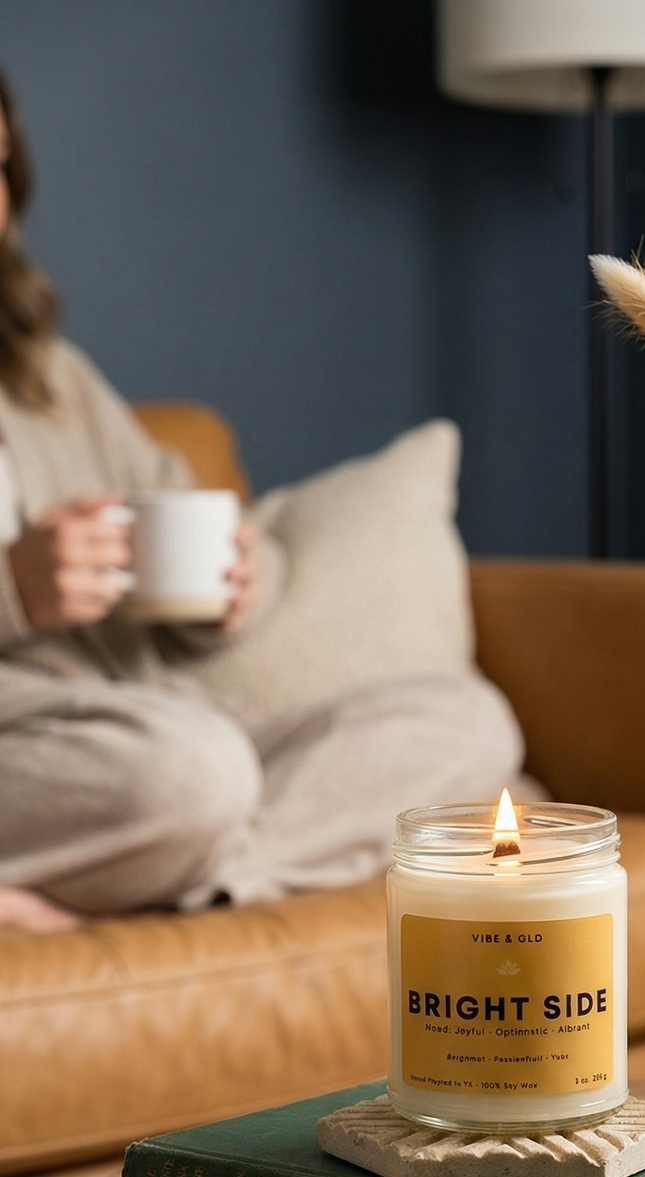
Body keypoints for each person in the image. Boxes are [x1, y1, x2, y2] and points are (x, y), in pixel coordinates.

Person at [0, 73, 523, 932]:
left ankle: (174, 890)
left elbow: (175, 515)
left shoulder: (45, 374)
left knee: (468, 724)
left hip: (145, 732)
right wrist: (15, 586)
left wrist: (228, 581)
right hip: (89, 759)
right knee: (186, 771)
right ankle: (169, 845)